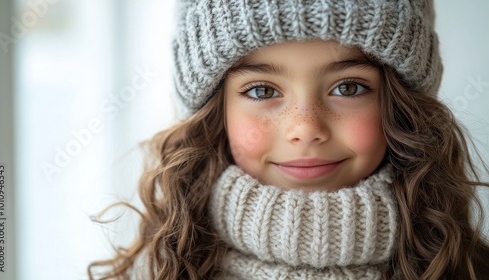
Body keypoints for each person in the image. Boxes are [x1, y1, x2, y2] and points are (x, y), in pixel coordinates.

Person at [89, 0, 489, 279]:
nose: (305, 128)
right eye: (263, 91)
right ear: (216, 113)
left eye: (348, 88)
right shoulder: (157, 271)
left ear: (402, 106)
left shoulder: (467, 267)